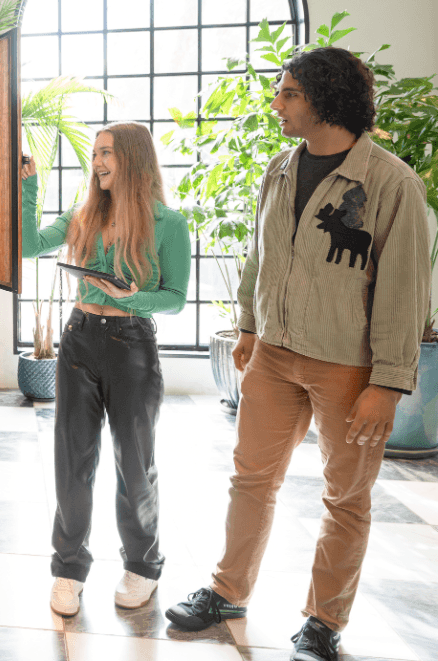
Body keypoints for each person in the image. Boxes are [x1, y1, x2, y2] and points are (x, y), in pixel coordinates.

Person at [164, 47, 430, 661]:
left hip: (349, 368)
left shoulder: (392, 184)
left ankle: (323, 622)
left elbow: (404, 291)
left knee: (346, 498)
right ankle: (227, 592)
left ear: (325, 101)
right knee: (250, 479)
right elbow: (260, 256)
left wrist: (387, 383)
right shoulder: (280, 168)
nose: (276, 103)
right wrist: (249, 326)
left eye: (289, 93)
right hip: (274, 357)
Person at [22, 122, 192, 616]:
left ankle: (142, 566)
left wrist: (132, 297)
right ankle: (68, 569)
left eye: (107, 153)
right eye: (95, 153)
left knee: (135, 464)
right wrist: (30, 187)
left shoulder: (168, 223)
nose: (96, 162)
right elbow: (30, 245)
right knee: (71, 460)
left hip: (131, 346)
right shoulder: (83, 215)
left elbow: (176, 298)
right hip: (78, 341)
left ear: (133, 159)